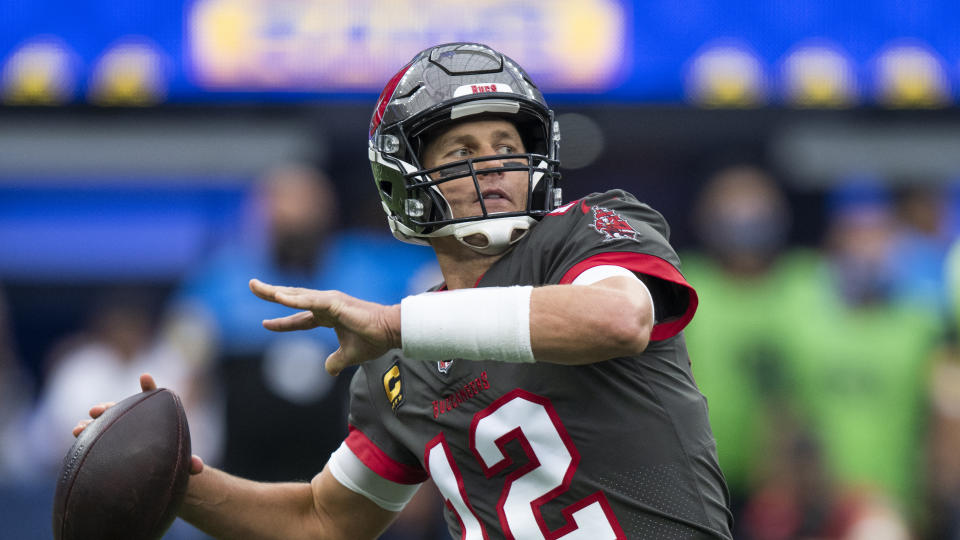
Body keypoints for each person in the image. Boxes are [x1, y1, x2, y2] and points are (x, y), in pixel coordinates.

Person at [75, 42, 733, 539]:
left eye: (508, 144)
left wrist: (397, 327)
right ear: (405, 181)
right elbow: (321, 521)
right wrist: (178, 481)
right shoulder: (398, 367)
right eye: (462, 152)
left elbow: (617, 320)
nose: (496, 165)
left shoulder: (587, 232)